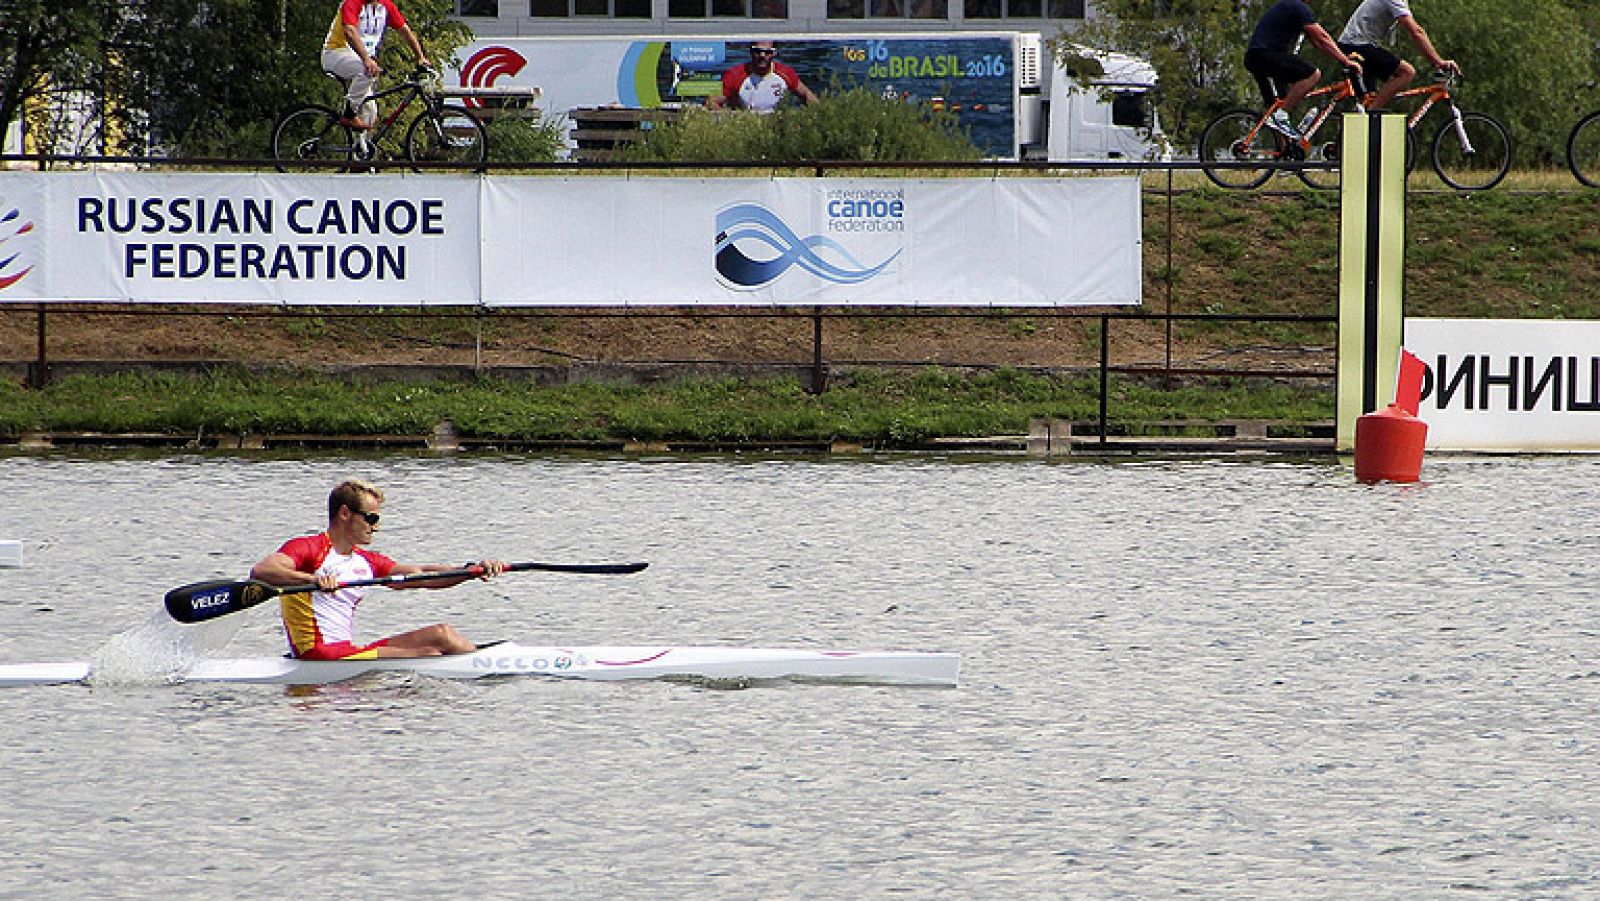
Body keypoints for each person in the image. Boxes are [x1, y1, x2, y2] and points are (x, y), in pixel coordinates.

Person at [250, 479, 505, 660]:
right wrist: (314, 580)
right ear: (345, 513)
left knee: (440, 637)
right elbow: (263, 571)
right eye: (371, 518)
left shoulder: (366, 561)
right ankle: (483, 667)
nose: (376, 527)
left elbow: (422, 574)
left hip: (345, 651)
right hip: (318, 656)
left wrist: (469, 570)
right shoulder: (309, 548)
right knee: (435, 645)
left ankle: (476, 660)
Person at [1244, 0, 1363, 141]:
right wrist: (1345, 61)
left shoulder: (1290, 6)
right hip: (1267, 56)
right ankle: (1281, 116)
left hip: (1258, 57)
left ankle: (1283, 150)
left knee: (1282, 103)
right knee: (1312, 75)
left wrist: (1342, 57)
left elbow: (1319, 43)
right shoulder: (1297, 6)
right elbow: (1322, 37)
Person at [321, 0, 431, 130]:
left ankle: (359, 142)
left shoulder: (386, 6)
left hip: (359, 59)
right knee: (366, 71)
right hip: (335, 53)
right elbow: (349, 32)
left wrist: (420, 57)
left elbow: (405, 31)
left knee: (370, 112)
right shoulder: (352, 3)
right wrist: (367, 59)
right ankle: (349, 114)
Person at [1337, 0, 1461, 112]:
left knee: (1369, 98)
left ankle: (1364, 115)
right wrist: (1438, 62)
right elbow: (1416, 32)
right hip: (1357, 45)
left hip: (1356, 44)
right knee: (1407, 72)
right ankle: (1370, 116)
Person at [705, 41, 819, 114]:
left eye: (767, 52)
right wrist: (731, 117)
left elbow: (807, 95)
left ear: (774, 54)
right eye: (757, 51)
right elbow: (711, 102)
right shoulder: (734, 75)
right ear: (750, 51)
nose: (762, 56)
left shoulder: (786, 74)